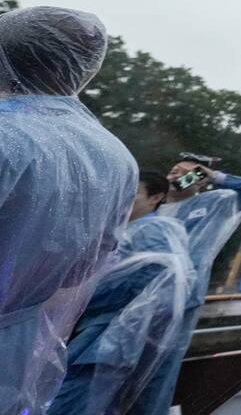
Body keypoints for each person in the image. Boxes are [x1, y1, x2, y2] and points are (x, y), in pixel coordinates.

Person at [0, 6, 139, 415]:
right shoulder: (116, 158)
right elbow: (85, 267)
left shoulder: (7, 137)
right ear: (84, 71)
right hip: (18, 351)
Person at [48, 171, 194, 415]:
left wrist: (76, 295)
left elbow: (153, 286)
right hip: (100, 338)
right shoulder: (129, 231)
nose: (123, 202)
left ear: (155, 197)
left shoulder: (153, 232)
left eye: (133, 195)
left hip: (110, 340)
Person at [134, 156, 241, 415]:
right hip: (138, 296)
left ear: (201, 179)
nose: (178, 175)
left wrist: (215, 176)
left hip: (181, 299)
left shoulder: (214, 203)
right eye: (174, 170)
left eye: (189, 173)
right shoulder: (150, 208)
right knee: (124, 365)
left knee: (161, 369)